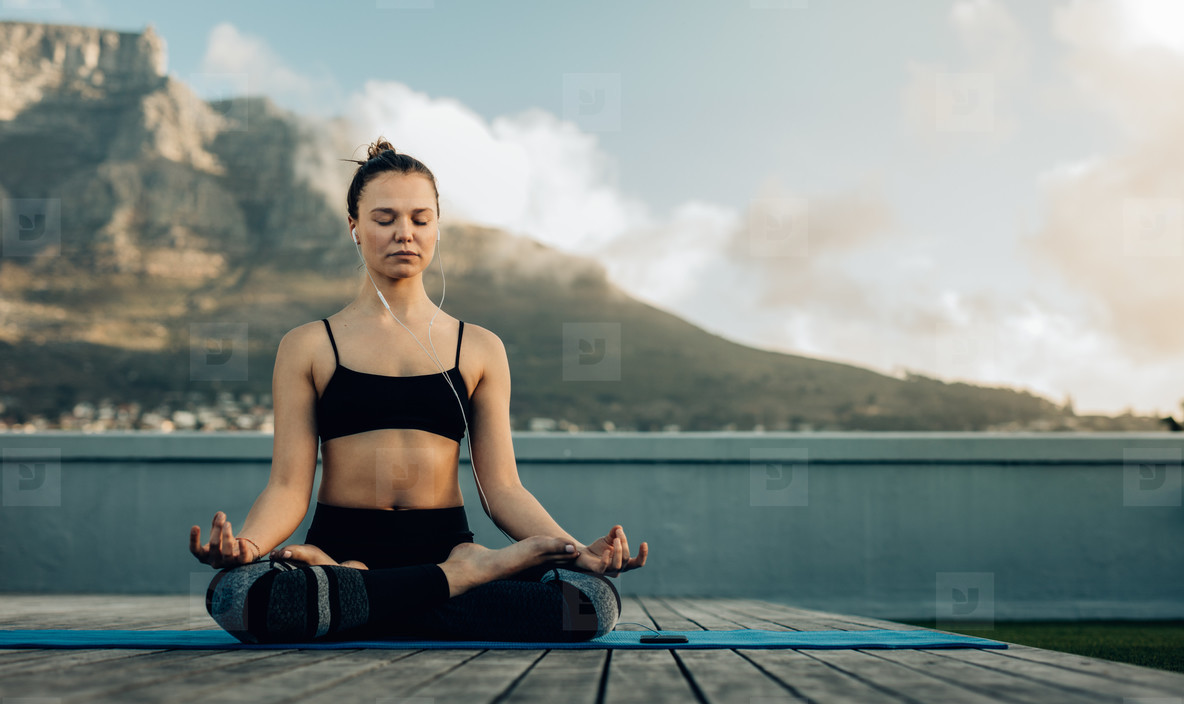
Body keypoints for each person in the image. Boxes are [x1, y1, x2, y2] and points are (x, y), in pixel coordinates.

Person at [190, 138, 648, 644]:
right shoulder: (308, 346)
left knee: (592, 604)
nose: (403, 233)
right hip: (345, 544)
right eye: (384, 219)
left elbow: (503, 490)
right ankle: (459, 580)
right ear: (354, 228)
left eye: (419, 219)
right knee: (235, 593)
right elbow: (288, 488)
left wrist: (574, 550)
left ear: (436, 228)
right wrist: (250, 546)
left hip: (439, 545)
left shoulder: (478, 347)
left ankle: (355, 594)